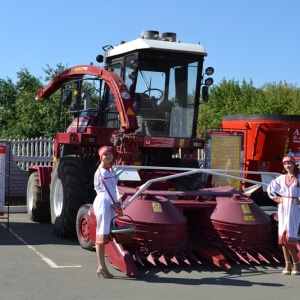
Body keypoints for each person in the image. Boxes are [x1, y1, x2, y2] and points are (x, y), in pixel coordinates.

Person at [93, 146, 123, 279]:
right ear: (101, 157)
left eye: (110, 154)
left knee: (104, 234)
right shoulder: (103, 172)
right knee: (102, 235)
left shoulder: (107, 171)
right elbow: (109, 192)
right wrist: (117, 207)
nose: (109, 156)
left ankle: (102, 266)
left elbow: (113, 189)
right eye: (106, 155)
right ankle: (101, 266)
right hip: (105, 203)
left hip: (107, 203)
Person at [267, 155, 300, 275]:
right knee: (283, 237)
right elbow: (270, 188)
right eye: (285, 164)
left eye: (289, 163)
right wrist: (276, 198)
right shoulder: (281, 178)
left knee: (290, 237)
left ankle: (296, 264)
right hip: (283, 208)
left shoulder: (299, 178)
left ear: (294, 164)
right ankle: (287, 264)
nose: (287, 166)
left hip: (294, 208)